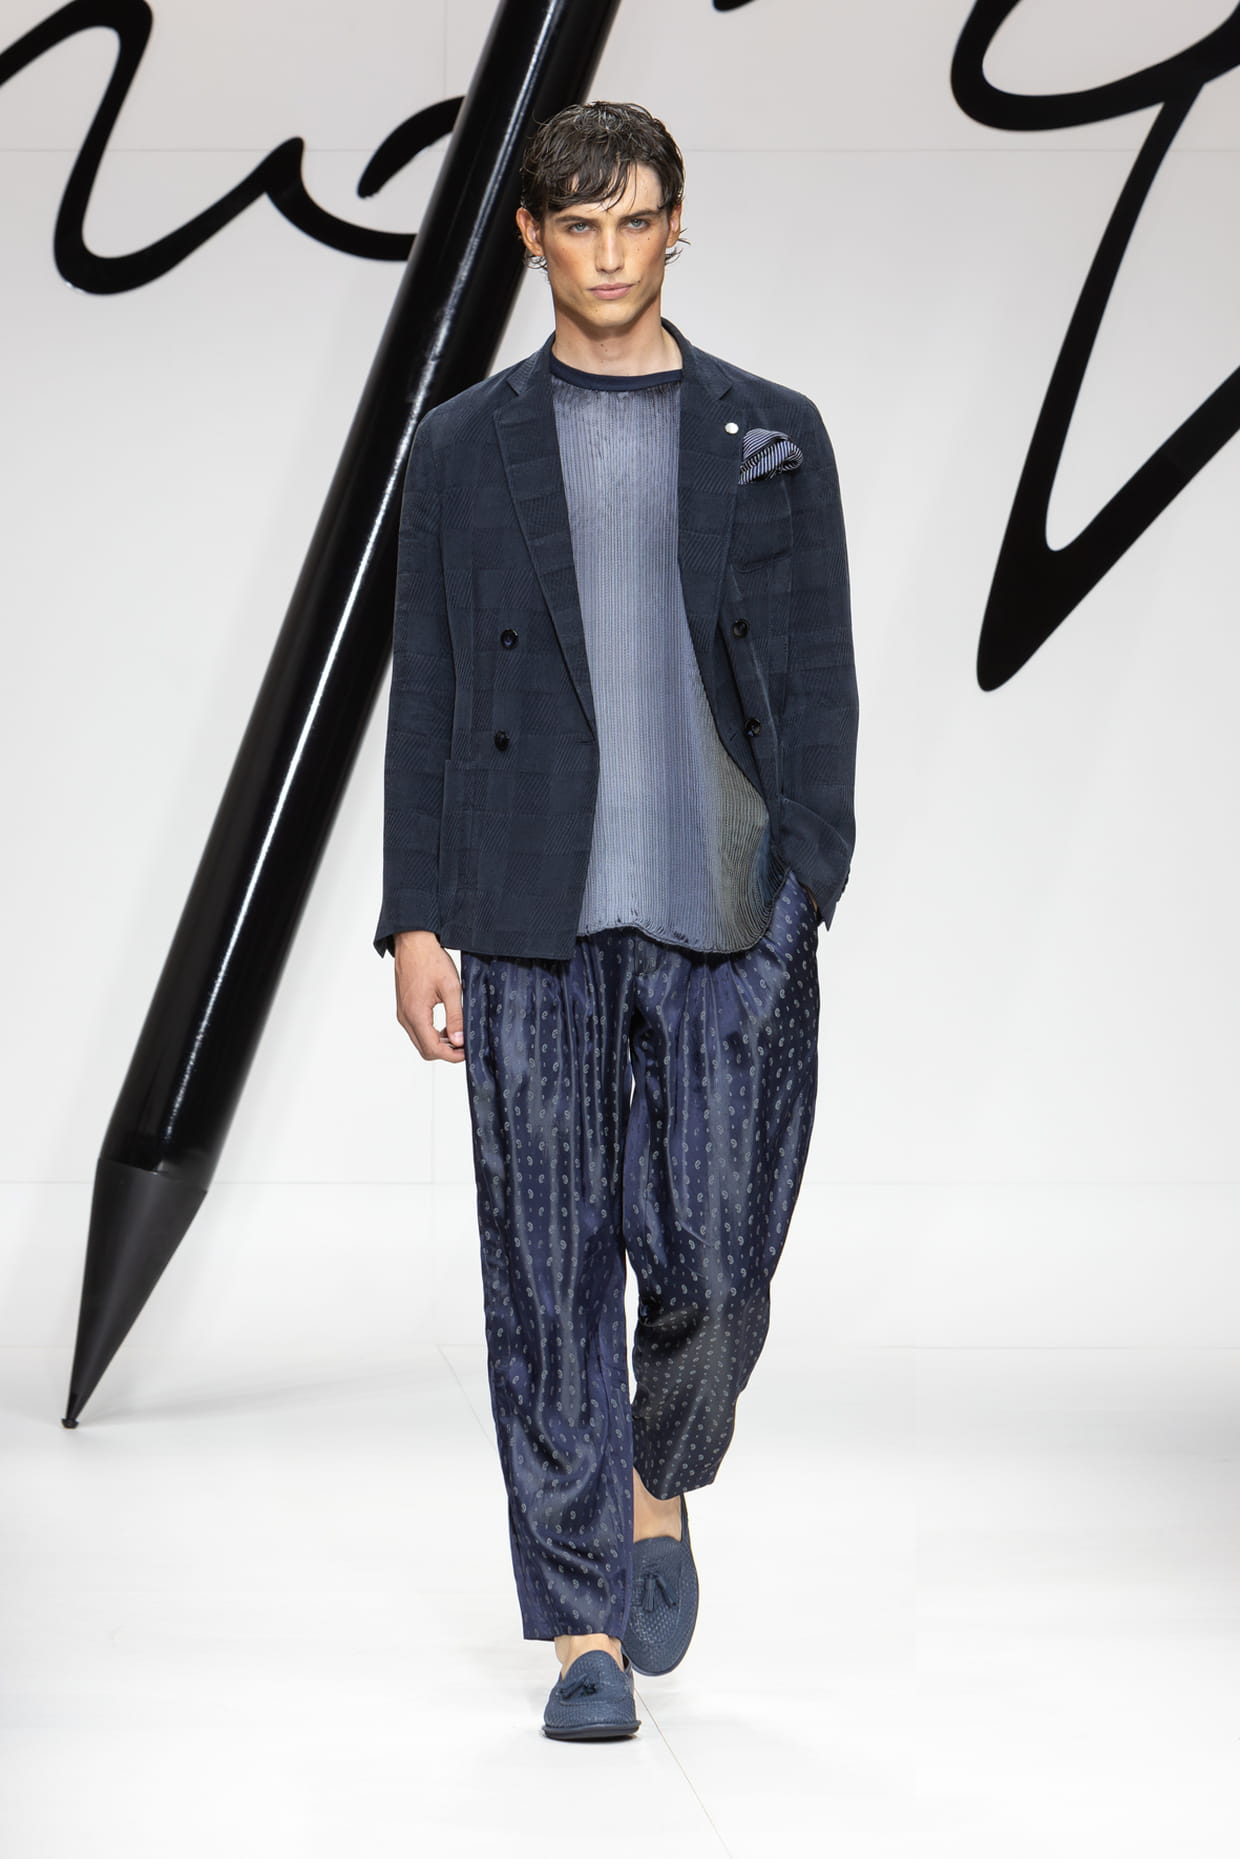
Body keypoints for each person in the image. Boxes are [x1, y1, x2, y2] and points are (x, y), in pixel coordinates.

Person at [374, 100, 858, 1741]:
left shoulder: (772, 429)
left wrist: (810, 876)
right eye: (576, 224)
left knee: (718, 1257)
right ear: (532, 236)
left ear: (674, 226)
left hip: (726, 900)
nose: (607, 252)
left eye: (634, 220)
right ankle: (581, 1623)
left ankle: (661, 1470)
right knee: (546, 1271)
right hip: (527, 910)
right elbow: (427, 687)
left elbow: (821, 670)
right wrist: (415, 919)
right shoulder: (462, 445)